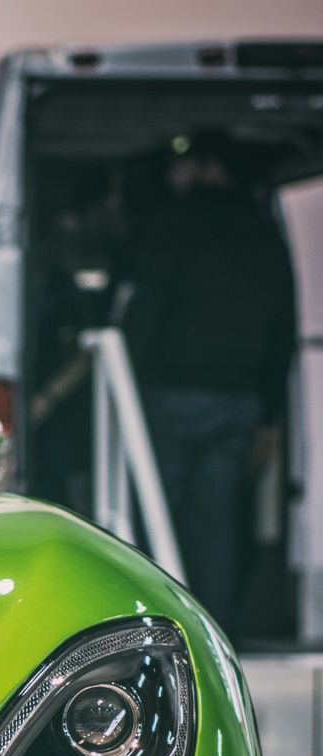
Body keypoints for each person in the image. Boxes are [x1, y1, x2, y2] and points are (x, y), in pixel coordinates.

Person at [124, 132, 296, 634]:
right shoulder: (264, 230)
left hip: (171, 393)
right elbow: (283, 328)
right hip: (239, 400)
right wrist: (268, 414)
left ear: (209, 167)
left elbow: (146, 310)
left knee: (156, 510)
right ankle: (211, 629)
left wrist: (128, 377)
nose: (173, 176)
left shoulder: (174, 223)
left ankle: (153, 627)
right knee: (215, 521)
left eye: (183, 165)